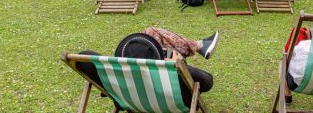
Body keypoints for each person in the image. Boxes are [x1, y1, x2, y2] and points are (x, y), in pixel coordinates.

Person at [76, 28, 219, 110]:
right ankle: (198, 45)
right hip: (172, 104)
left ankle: (197, 45)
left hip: (131, 100)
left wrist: (115, 65)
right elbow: (207, 82)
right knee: (152, 32)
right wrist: (180, 65)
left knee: (151, 32)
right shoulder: (170, 77)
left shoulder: (118, 81)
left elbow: (82, 56)